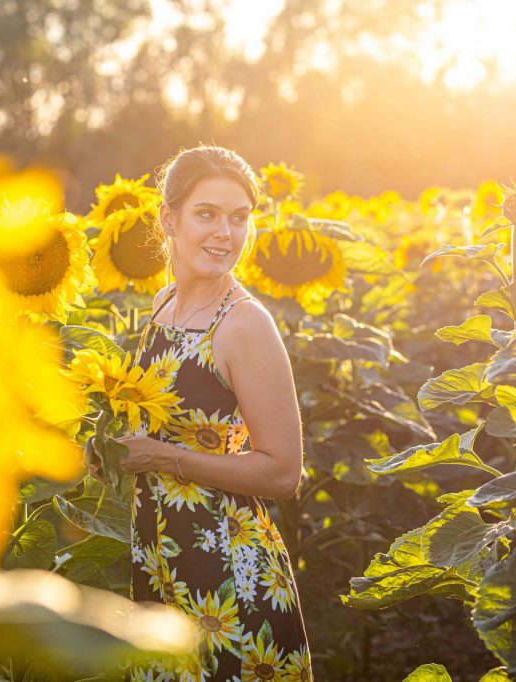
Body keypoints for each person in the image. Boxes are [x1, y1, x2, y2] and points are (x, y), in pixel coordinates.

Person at [118, 146, 312, 681]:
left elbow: (282, 471)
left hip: (228, 572)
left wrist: (162, 456)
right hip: (161, 558)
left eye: (238, 217)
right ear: (169, 218)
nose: (224, 233)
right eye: (207, 214)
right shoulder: (162, 305)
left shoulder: (244, 325)